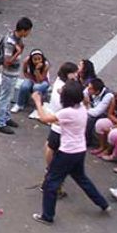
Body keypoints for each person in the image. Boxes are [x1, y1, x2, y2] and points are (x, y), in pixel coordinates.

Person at [31, 81, 110, 225]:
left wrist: (37, 101)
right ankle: (102, 203)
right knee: (81, 178)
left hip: (67, 152)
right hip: (80, 150)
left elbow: (44, 118)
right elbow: (81, 100)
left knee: (50, 182)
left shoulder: (67, 112)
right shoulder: (82, 108)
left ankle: (47, 216)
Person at [41, 62, 79, 195]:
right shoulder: (64, 88)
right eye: (74, 73)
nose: (76, 75)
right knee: (55, 151)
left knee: (50, 145)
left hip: (57, 121)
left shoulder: (59, 82)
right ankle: (53, 181)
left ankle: (50, 175)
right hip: (61, 124)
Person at [0, 17, 32, 134]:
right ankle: (0, 122)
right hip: (8, 73)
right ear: (23, 30)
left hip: (13, 73)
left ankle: (6, 117)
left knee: (9, 96)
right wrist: (18, 53)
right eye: (28, 31)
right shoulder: (10, 42)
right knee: (5, 97)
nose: (29, 33)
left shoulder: (17, 39)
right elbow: (7, 62)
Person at [12, 49, 50, 116]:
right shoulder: (27, 61)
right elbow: (25, 71)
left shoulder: (46, 64)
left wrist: (37, 70)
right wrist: (29, 78)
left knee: (36, 87)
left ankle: (38, 109)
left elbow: (40, 80)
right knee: (24, 86)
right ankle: (19, 104)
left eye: (39, 59)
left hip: (43, 81)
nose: (37, 61)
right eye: (35, 59)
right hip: (32, 78)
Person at [85, 78, 114, 149]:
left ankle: (87, 140)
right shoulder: (89, 90)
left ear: (97, 91)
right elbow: (84, 93)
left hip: (104, 114)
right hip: (93, 108)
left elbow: (96, 113)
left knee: (89, 118)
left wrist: (85, 108)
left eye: (90, 89)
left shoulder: (108, 96)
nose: (87, 90)